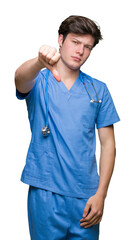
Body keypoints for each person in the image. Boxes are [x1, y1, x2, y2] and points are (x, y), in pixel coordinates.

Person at [15, 15, 120, 240]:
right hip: (46, 193)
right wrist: (39, 60)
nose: (80, 51)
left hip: (86, 197)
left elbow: (108, 144)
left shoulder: (98, 90)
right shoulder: (39, 81)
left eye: (87, 46)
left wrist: (101, 194)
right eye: (75, 42)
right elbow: (19, 80)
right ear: (61, 40)